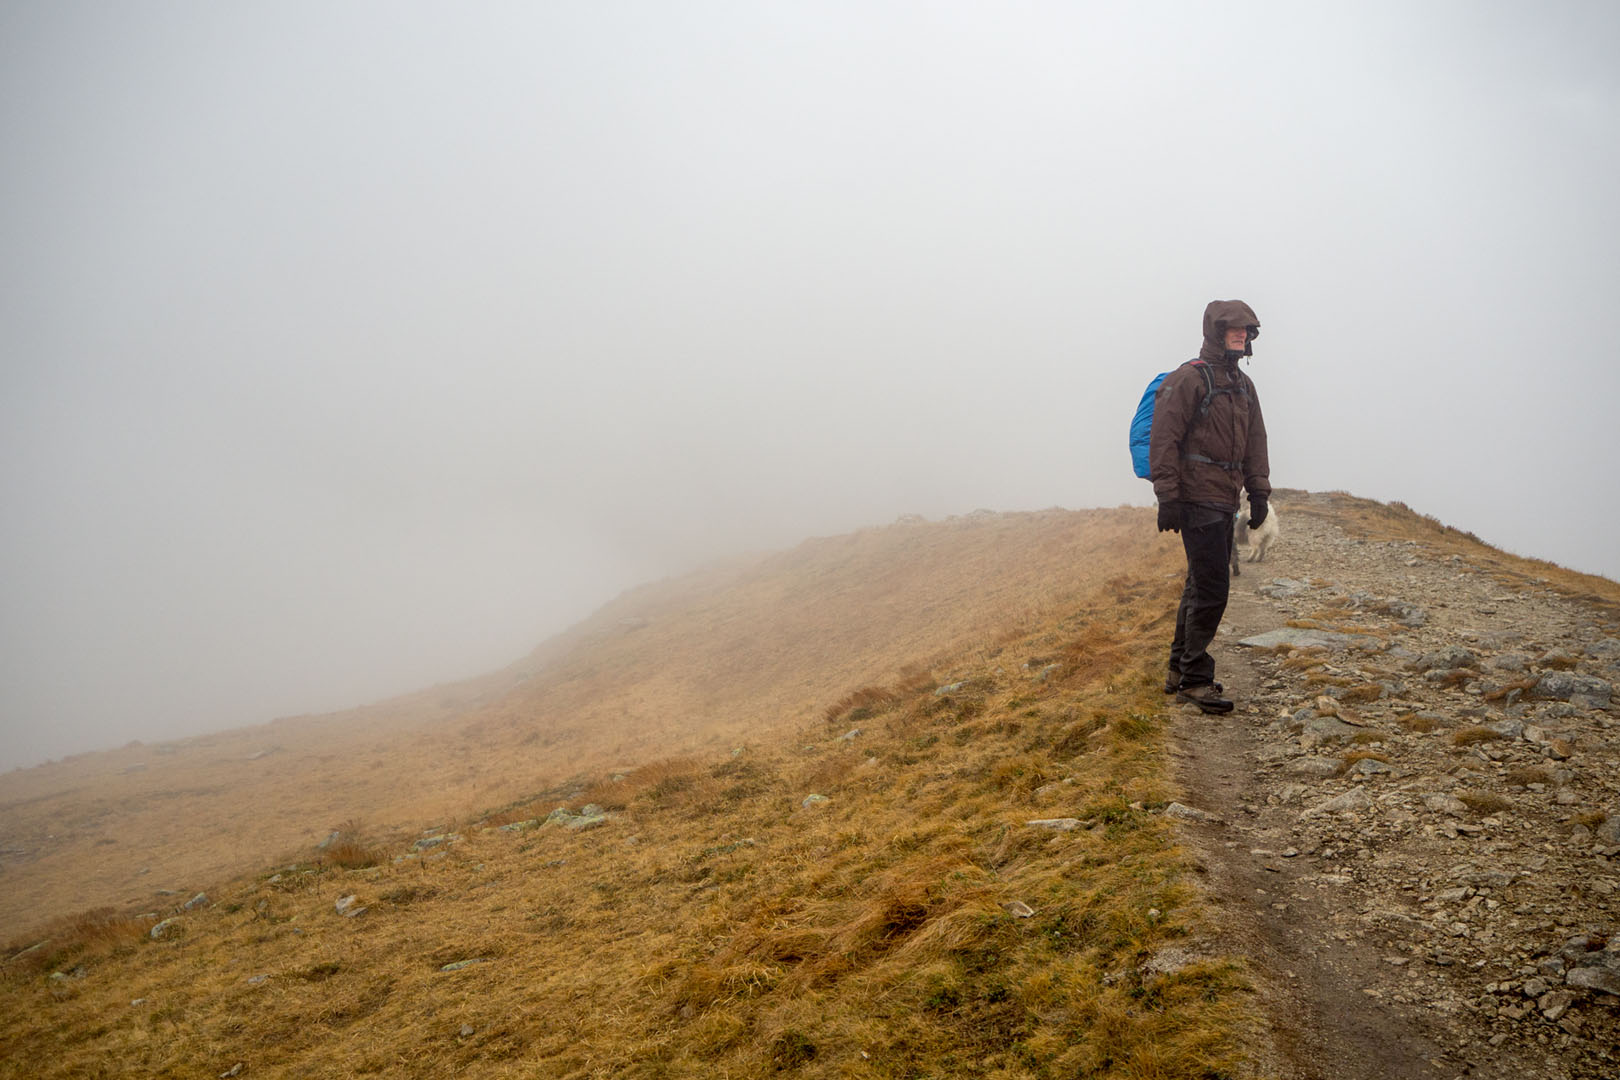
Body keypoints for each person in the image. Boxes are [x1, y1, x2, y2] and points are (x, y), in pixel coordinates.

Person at [1149, 299, 1270, 714]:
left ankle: (1178, 670)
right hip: (1196, 499)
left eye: (1247, 332)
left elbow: (1256, 443)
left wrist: (1259, 495)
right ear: (1216, 333)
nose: (1242, 336)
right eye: (1235, 330)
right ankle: (1196, 679)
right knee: (1214, 589)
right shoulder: (1189, 380)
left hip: (1225, 499)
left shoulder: (1243, 386)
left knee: (1200, 585)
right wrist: (1168, 498)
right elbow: (1163, 440)